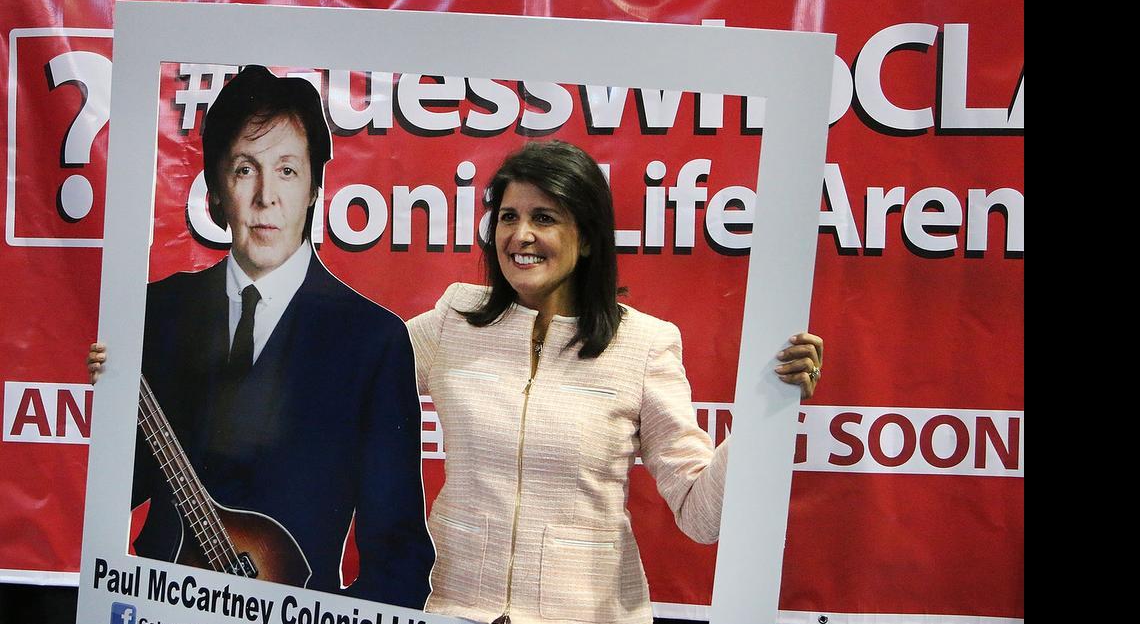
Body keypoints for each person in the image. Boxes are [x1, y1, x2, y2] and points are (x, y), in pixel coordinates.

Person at [404, 141, 822, 623]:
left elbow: (701, 516)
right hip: (455, 610)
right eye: (507, 217)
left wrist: (767, 412)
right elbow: (349, 380)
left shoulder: (644, 344)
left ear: (585, 239)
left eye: (544, 218)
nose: (520, 235)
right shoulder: (452, 321)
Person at [88, 65, 433, 607]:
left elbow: (398, 551)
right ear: (216, 192)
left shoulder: (373, 341)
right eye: (245, 170)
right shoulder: (155, 312)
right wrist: (107, 398)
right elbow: (113, 491)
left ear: (316, 188)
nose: (266, 196)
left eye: (288, 171)